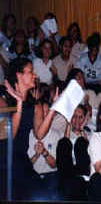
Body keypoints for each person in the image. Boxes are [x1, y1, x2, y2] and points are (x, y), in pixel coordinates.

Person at [4, 57, 57, 200]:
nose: (35, 75)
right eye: (31, 72)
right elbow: (8, 138)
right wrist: (19, 104)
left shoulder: (35, 105)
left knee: (42, 195)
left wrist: (53, 109)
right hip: (4, 159)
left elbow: (39, 134)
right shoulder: (3, 99)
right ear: (19, 75)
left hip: (21, 160)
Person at [56, 105, 91, 200]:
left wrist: (82, 129)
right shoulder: (62, 134)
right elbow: (64, 147)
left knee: (81, 142)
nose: (77, 120)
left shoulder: (90, 135)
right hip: (67, 174)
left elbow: (91, 153)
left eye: (80, 117)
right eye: (74, 116)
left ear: (85, 119)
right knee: (64, 142)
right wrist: (68, 124)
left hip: (83, 173)